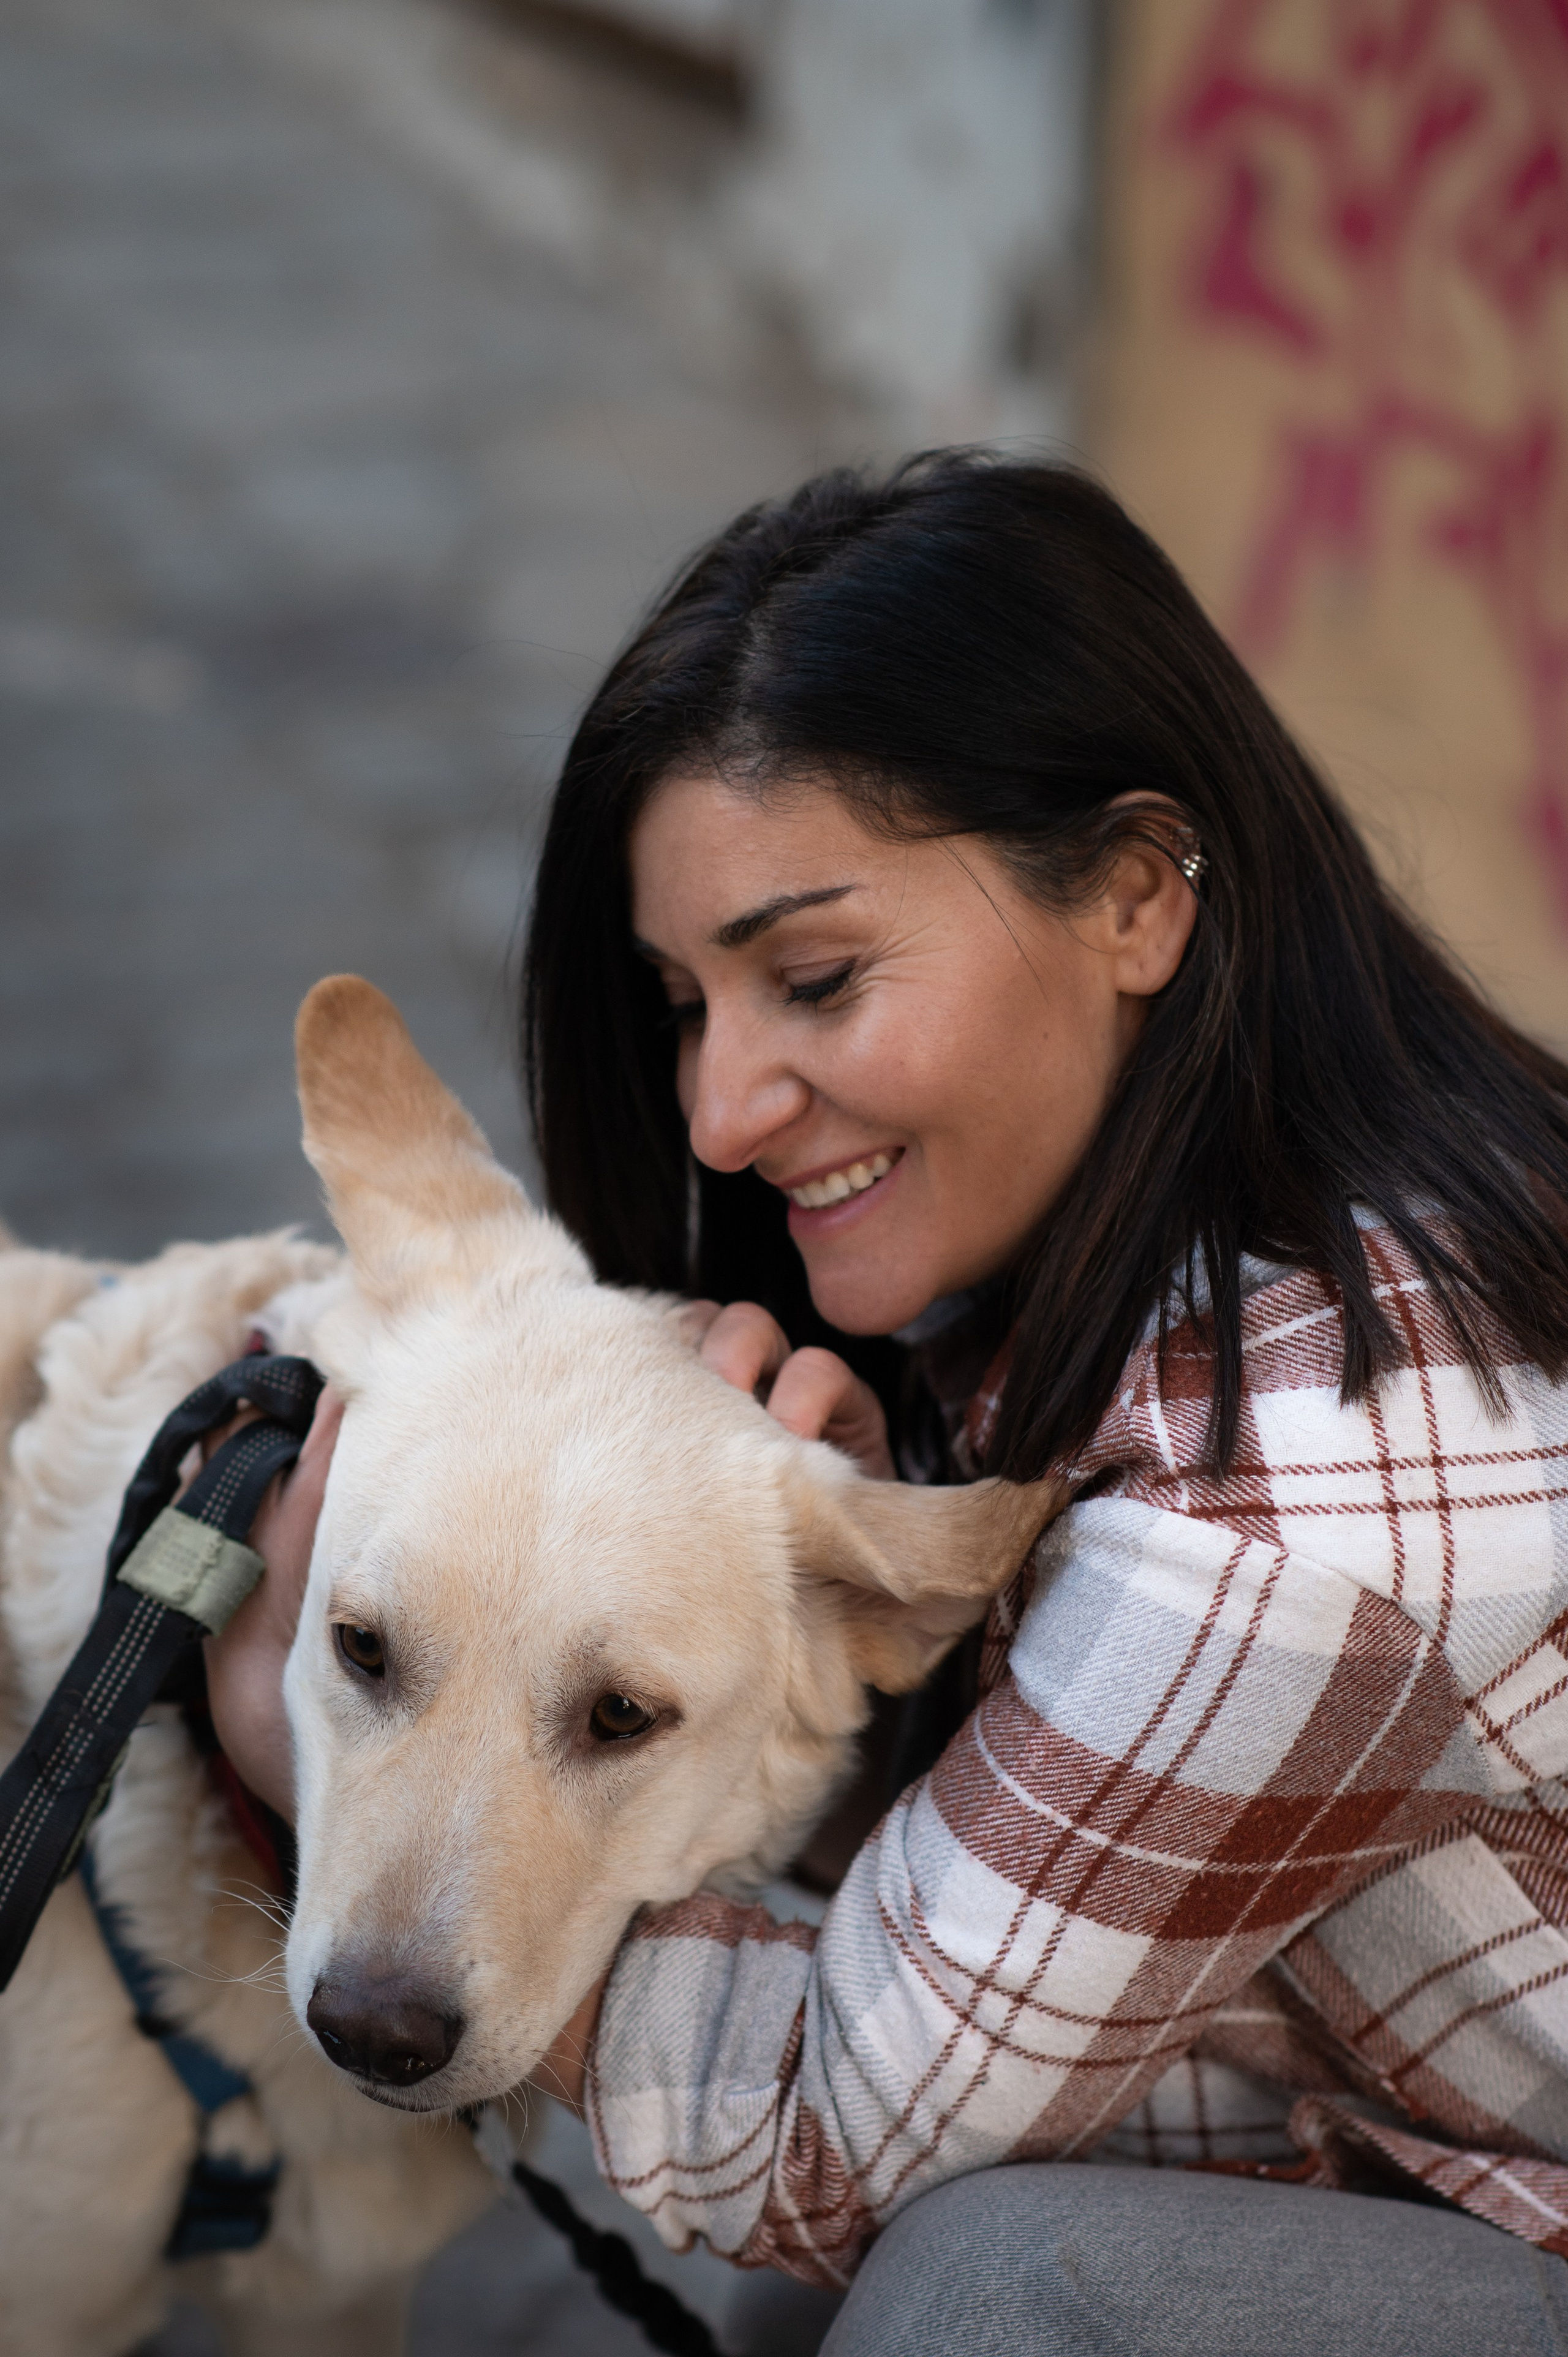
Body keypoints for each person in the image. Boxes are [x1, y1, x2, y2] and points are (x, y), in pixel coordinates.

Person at [209, 454, 1568, 2355]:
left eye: (818, 979)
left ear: (1135, 899)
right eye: (688, 1003)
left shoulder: (1307, 1491)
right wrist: (825, 1631)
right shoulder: (1119, 1270)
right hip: (1390, 2131)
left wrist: (299, 1723)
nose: (716, 1115)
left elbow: (825, 2131)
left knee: (994, 2291)